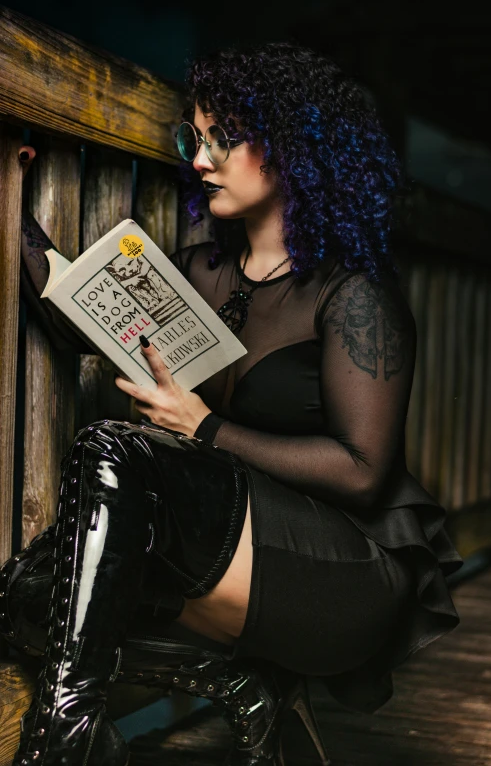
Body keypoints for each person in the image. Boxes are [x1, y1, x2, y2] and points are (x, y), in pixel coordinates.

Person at [2, 42, 463, 766]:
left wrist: (205, 426)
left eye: (223, 138)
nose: (201, 158)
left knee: (111, 451)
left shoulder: (354, 297)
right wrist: (10, 199)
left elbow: (363, 470)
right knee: (27, 592)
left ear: (291, 149)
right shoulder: (199, 272)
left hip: (343, 574)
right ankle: (218, 693)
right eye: (195, 138)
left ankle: (65, 739)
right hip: (238, 555)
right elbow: (70, 314)